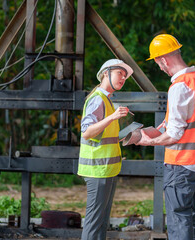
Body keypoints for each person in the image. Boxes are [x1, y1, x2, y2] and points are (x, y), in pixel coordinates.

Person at [136, 34, 195, 240]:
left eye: (157, 62)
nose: (160, 67)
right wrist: (164, 126)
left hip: (181, 164)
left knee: (178, 219)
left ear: (163, 59)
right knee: (189, 217)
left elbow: (175, 135)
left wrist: (149, 140)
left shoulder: (179, 86)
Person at [78, 59, 133, 240]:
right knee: (94, 223)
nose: (123, 78)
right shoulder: (97, 100)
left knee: (101, 222)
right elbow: (86, 132)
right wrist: (113, 117)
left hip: (106, 170)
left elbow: (103, 135)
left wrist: (126, 134)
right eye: (120, 73)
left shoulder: (107, 101)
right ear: (105, 73)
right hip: (97, 170)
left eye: (125, 76)